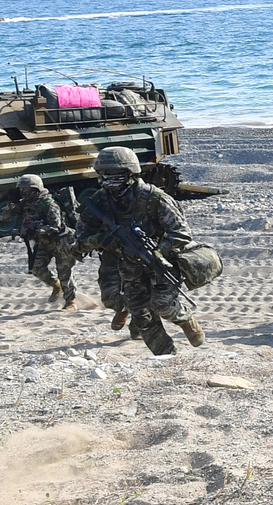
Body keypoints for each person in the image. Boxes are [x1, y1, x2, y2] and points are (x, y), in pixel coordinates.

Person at [76, 147, 204, 355]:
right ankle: (167, 358)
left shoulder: (154, 199)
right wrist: (100, 239)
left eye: (114, 174)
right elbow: (80, 239)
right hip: (125, 266)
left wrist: (158, 252)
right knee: (142, 317)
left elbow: (181, 234)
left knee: (162, 304)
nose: (108, 179)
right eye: (104, 174)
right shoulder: (98, 201)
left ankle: (186, 319)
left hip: (160, 261)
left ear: (130, 173)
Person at [6, 174, 78, 310]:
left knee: (64, 273)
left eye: (25, 190)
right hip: (44, 243)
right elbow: (4, 217)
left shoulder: (48, 203)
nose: (23, 192)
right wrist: (11, 204)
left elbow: (56, 225)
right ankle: (56, 286)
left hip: (61, 242)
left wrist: (38, 228)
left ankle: (70, 302)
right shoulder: (25, 204)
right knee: (37, 269)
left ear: (35, 189)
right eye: (21, 190)